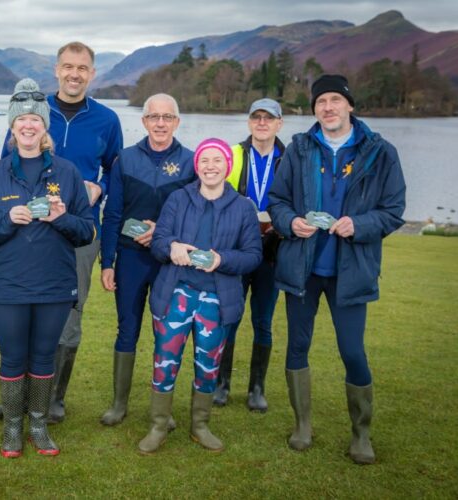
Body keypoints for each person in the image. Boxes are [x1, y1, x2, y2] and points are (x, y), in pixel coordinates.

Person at [268, 74, 406, 464]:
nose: (327, 107)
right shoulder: (298, 149)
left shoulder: (380, 152)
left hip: (351, 270)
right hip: (303, 269)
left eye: (334, 100)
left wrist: (358, 225)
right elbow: (277, 200)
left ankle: (361, 433)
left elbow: (393, 211)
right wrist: (291, 222)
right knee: (297, 345)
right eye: (320, 102)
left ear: (349, 105)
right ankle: (302, 425)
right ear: (314, 109)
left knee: (352, 351)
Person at [0, 41, 123, 423]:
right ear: (57, 70)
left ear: (91, 73)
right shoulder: (33, 110)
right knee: (20, 311)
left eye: (82, 68)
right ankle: (20, 396)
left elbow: (116, 170)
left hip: (75, 231)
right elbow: (5, 162)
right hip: (25, 231)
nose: (74, 73)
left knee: (66, 315)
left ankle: (52, 399)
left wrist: (102, 187)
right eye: (67, 66)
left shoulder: (107, 120)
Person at [0, 78, 94, 457]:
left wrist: (62, 218)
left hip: (54, 286)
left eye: (35, 119)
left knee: (42, 357)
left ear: (44, 127)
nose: (28, 124)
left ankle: (37, 424)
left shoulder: (68, 174)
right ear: (12, 125)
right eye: (21, 118)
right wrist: (6, 219)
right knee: (12, 358)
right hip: (7, 288)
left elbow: (87, 231)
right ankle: (11, 428)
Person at [138, 138, 262, 454]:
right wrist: (172, 248)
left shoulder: (243, 208)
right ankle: (159, 423)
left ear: (228, 166)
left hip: (218, 298)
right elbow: (158, 241)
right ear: (197, 166)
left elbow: (252, 256)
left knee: (208, 364)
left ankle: (200, 425)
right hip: (175, 293)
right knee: (165, 362)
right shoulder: (178, 199)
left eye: (217, 160)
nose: (210, 166)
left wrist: (223, 259)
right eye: (204, 160)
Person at [99, 93, 194, 426]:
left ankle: (161, 409)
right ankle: (118, 404)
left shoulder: (191, 162)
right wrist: (107, 262)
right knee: (128, 329)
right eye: (154, 117)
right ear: (143, 121)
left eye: (167, 117)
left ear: (177, 122)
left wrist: (164, 234)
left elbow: (195, 217)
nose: (160, 123)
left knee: (166, 333)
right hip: (130, 258)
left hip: (169, 261)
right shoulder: (124, 159)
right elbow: (111, 215)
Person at [214, 98, 286, 411]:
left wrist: (280, 225)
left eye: (268, 118)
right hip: (237, 249)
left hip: (273, 251)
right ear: (249, 122)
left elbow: (296, 199)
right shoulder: (233, 154)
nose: (261, 123)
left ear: (279, 123)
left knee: (263, 320)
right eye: (256, 117)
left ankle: (257, 388)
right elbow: (218, 193)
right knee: (229, 316)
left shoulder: (290, 157)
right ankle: (221, 384)